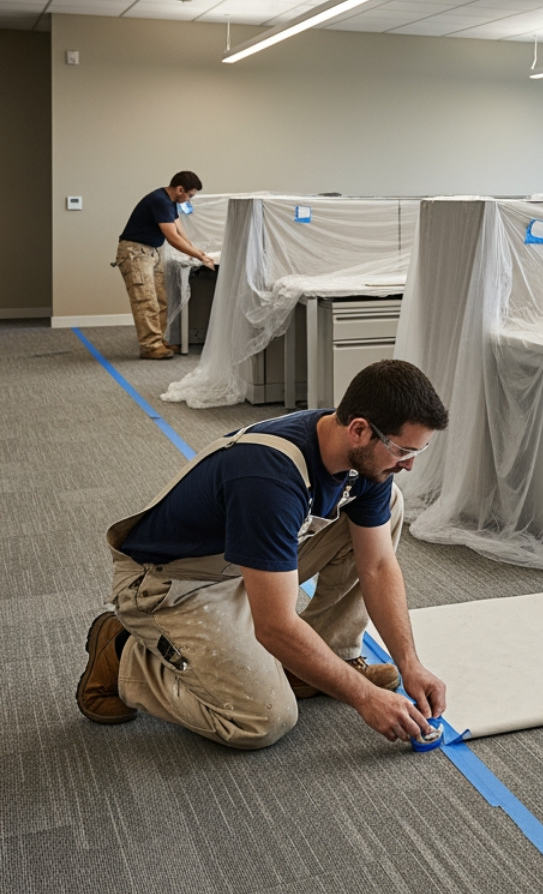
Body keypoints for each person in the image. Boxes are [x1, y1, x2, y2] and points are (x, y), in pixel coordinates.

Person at [76, 359, 450, 749]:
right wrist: (364, 696)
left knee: (388, 503)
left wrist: (410, 663)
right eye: (404, 450)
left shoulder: (363, 458)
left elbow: (376, 565)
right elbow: (273, 626)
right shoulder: (269, 479)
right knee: (262, 720)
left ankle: (321, 659)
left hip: (242, 563)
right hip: (173, 583)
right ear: (359, 430)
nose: (409, 464)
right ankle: (123, 654)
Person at [116, 170, 217, 359]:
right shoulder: (159, 201)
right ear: (180, 189)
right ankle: (150, 347)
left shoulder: (171, 202)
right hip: (135, 253)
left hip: (151, 251)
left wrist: (196, 251)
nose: (189, 200)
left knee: (160, 300)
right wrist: (200, 257)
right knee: (146, 301)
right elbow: (172, 238)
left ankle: (159, 341)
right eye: (189, 195)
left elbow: (179, 231)